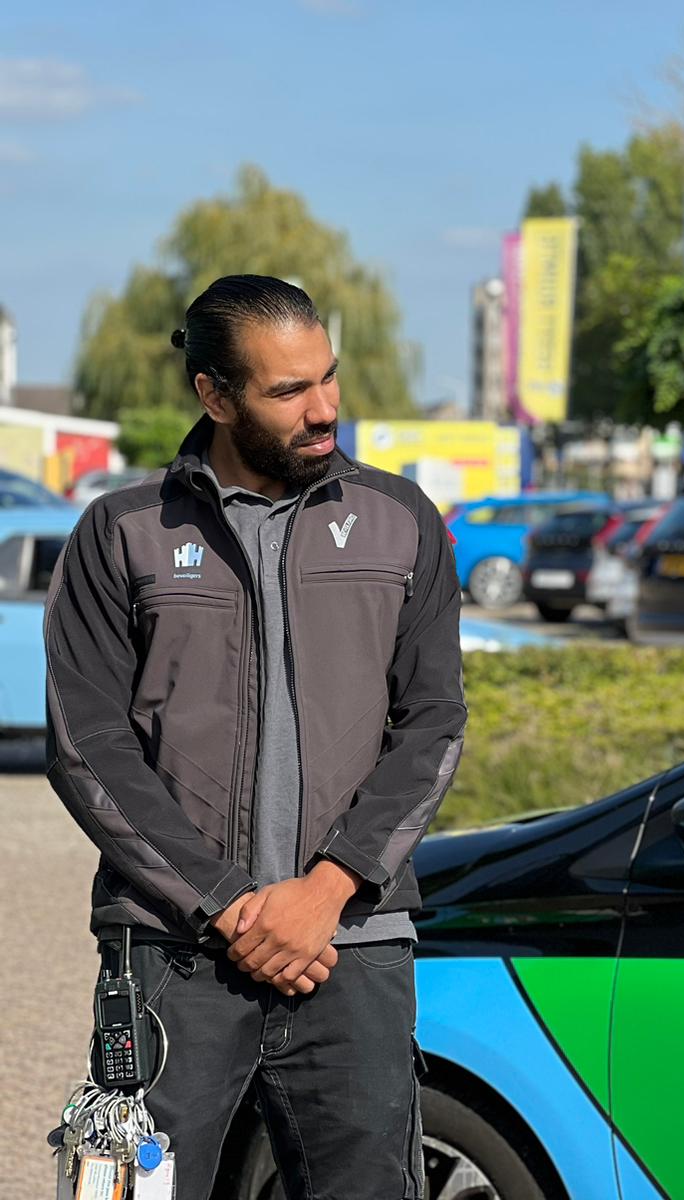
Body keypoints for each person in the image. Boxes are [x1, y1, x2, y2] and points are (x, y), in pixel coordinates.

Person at [45, 274, 466, 1200]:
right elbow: (87, 746)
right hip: (169, 959)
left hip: (350, 948)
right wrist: (231, 906)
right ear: (214, 395)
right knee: (126, 1195)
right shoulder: (122, 532)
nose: (322, 410)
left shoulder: (403, 523)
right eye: (287, 392)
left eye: (328, 379)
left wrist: (328, 890)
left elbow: (434, 722)